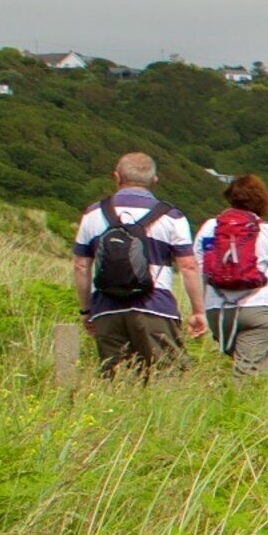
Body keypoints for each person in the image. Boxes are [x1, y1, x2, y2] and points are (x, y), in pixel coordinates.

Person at [71, 153, 205, 376]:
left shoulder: (93, 213)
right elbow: (189, 266)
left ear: (116, 177)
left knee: (117, 382)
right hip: (155, 306)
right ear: (154, 180)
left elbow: (81, 266)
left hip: (107, 308)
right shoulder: (172, 216)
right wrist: (198, 311)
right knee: (167, 379)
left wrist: (87, 310)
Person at [198, 173, 268, 375]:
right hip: (258, 309)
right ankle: (238, 405)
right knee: (248, 372)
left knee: (231, 364)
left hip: (217, 308)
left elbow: (198, 266)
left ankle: (223, 400)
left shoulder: (210, 227)